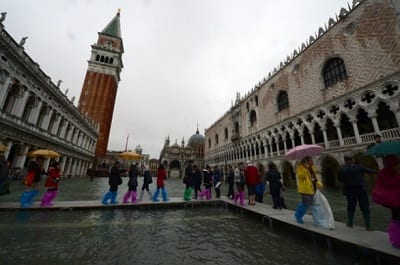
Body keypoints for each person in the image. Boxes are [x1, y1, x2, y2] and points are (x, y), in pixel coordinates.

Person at [337, 154, 376, 230]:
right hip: (361, 189)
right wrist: (379, 172)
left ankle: (350, 223)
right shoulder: (359, 166)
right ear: (352, 160)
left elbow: (340, 179)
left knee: (351, 206)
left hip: (349, 190)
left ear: (345, 160)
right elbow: (369, 171)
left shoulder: (341, 168)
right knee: (365, 206)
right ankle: (368, 226)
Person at [372, 155, 400, 248]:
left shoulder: (382, 173)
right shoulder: (397, 173)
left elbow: (380, 186)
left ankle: (396, 241)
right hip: (397, 199)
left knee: (396, 219)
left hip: (391, 201)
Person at [294, 156, 323, 223]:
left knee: (309, 203)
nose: (312, 161)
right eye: (311, 160)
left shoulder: (312, 168)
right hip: (305, 189)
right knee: (306, 203)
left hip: (313, 188)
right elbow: (301, 177)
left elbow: (313, 178)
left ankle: (316, 218)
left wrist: (319, 184)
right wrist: (305, 169)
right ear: (306, 161)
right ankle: (298, 215)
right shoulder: (300, 167)